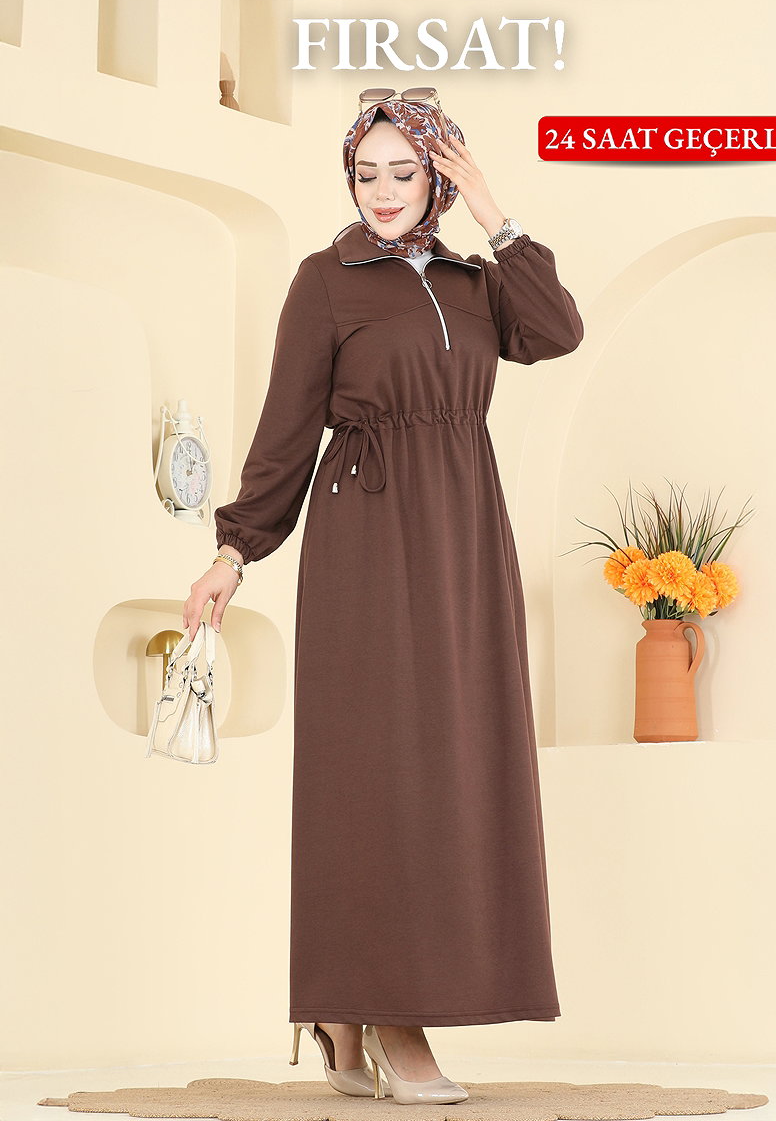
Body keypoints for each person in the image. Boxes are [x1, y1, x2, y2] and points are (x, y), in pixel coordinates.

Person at [183, 87, 584, 1106]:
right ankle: (388, 1020)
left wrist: (492, 207)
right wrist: (234, 550)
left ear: (438, 177)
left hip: (466, 537)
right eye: (367, 174)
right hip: (366, 538)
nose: (384, 192)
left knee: (458, 770)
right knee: (376, 780)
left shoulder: (476, 281)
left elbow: (558, 331)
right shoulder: (325, 280)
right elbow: (285, 427)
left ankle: (346, 1012)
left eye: (407, 172)